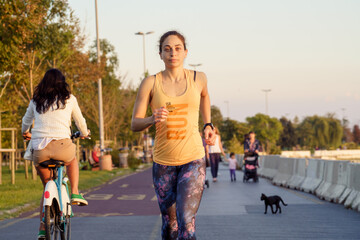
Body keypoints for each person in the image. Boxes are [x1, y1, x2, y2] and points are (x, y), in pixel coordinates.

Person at [131, 30, 215, 240]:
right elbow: (134, 123)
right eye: (167, 49)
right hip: (163, 162)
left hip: (193, 159)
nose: (172, 53)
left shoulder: (198, 78)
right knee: (171, 225)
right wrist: (151, 119)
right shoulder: (150, 83)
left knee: (186, 221)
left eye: (177, 48)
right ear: (160, 54)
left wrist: (208, 123)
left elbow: (204, 97)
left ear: (186, 52)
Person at [21, 69, 89, 240]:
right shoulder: (70, 99)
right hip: (62, 147)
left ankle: (43, 228)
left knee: (46, 187)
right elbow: (80, 121)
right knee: (72, 159)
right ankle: (74, 192)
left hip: (40, 151)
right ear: (62, 83)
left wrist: (25, 132)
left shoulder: (36, 101)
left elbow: (25, 121)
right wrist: (84, 132)